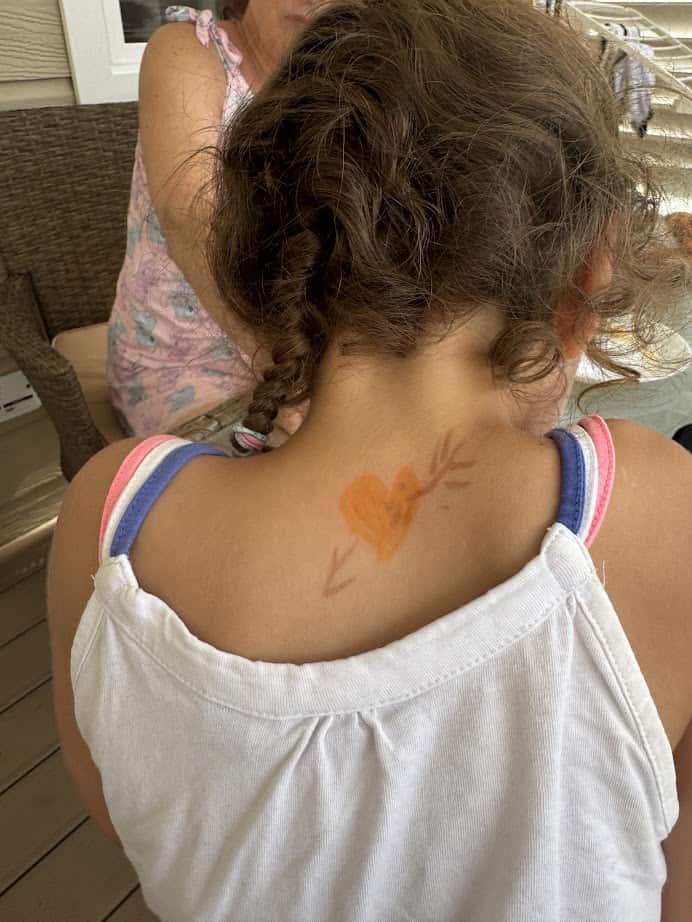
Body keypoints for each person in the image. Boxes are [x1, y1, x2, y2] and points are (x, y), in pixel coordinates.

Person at [48, 1, 692, 920]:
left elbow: (127, 817)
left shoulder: (106, 523)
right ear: (584, 286)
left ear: (258, 262)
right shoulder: (658, 510)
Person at [107, 2, 315, 436]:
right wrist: (288, 372)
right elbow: (193, 223)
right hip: (181, 356)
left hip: (303, 339)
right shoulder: (188, 52)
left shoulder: (352, 77)